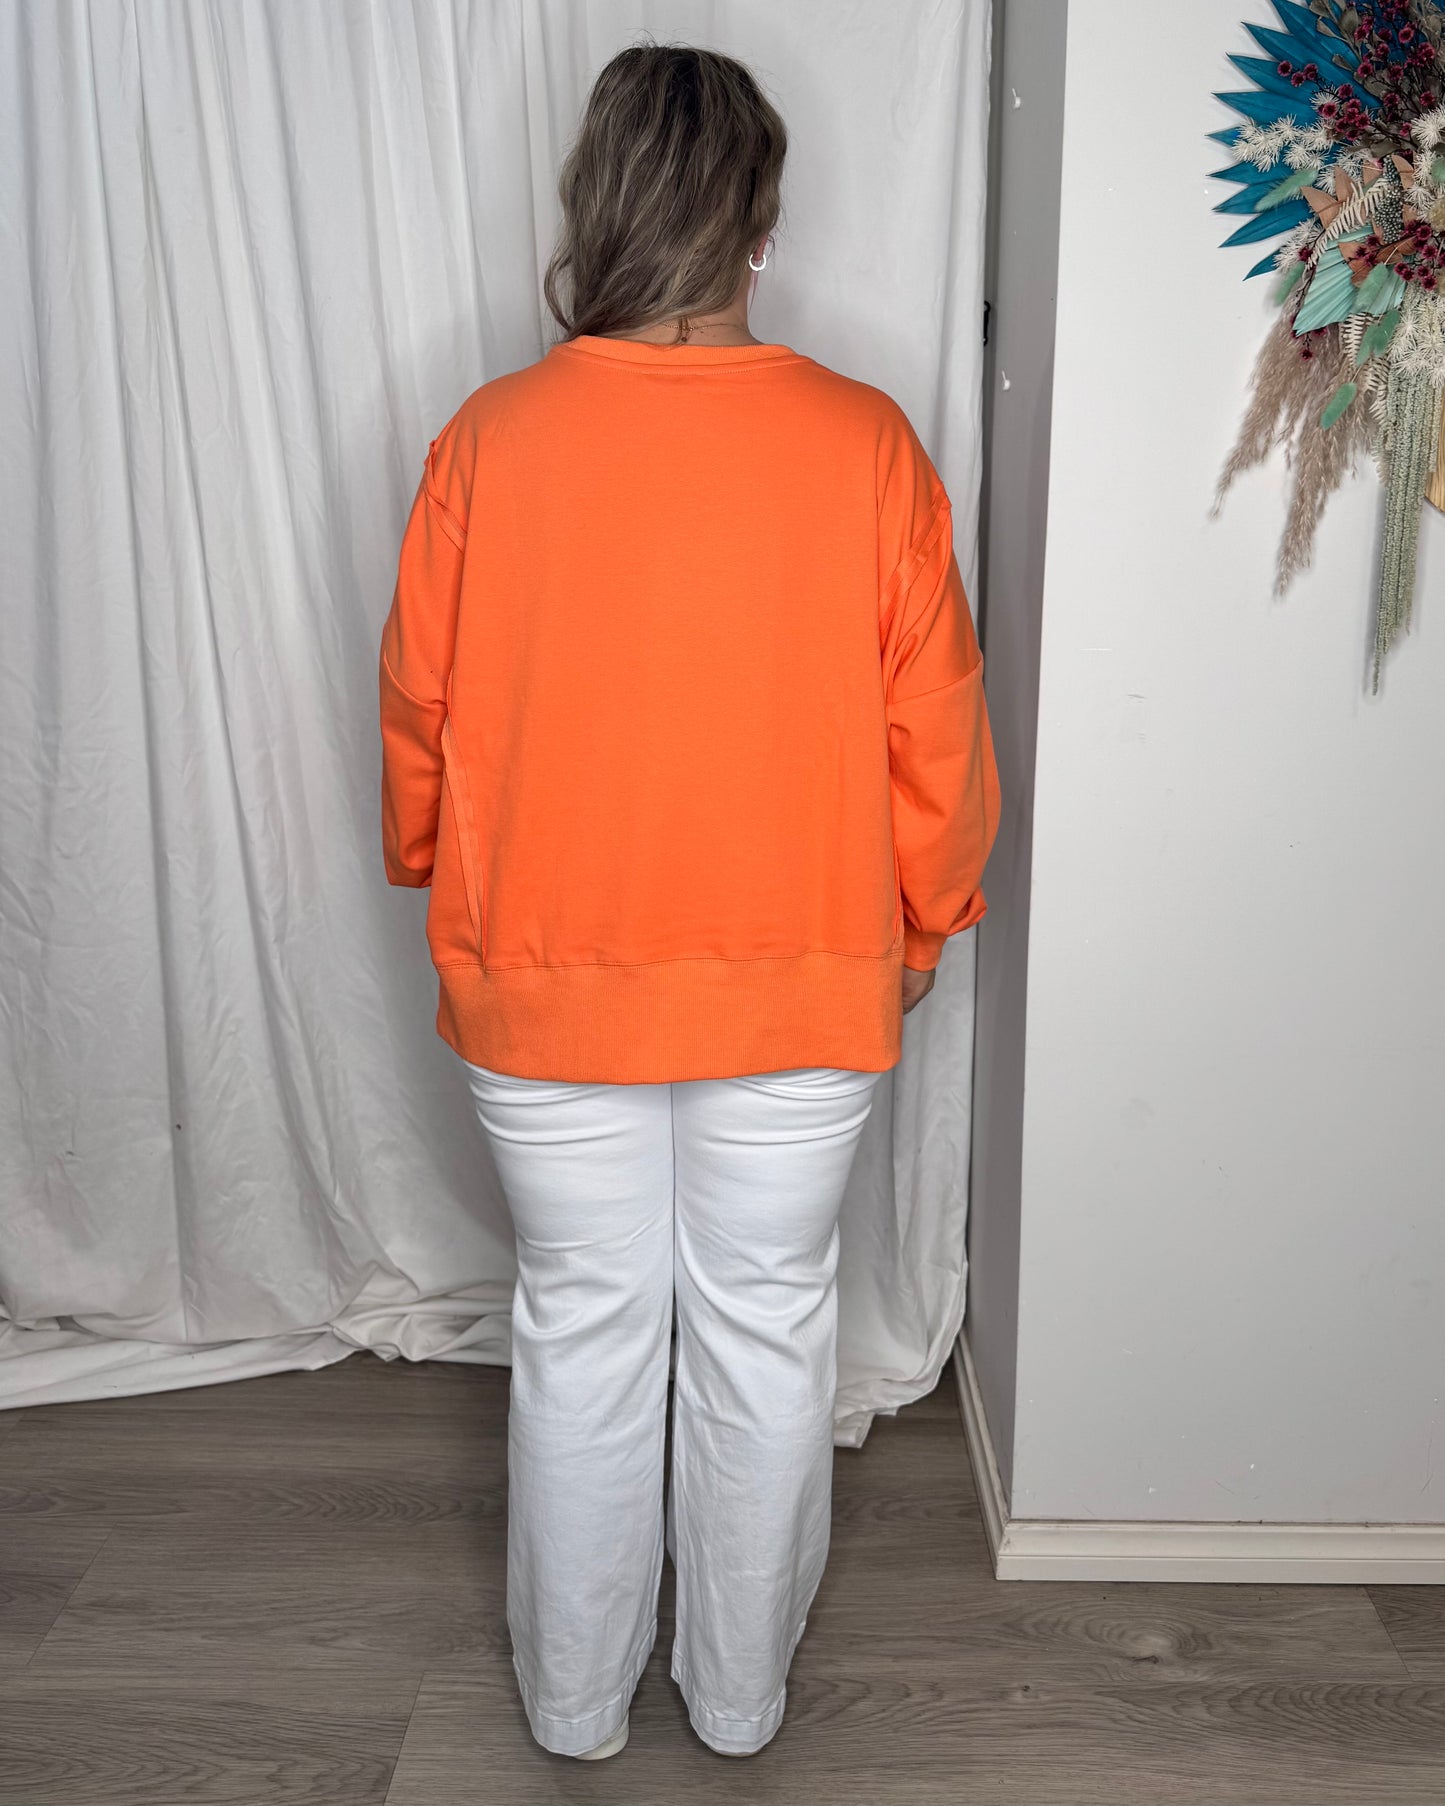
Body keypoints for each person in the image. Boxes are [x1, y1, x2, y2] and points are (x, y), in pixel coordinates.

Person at [377, 40, 1000, 1762]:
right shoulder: (865, 443)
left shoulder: (488, 441)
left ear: (598, 207)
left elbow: (420, 706)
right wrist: (926, 918)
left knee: (581, 1327)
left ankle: (576, 1706)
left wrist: (437, 862)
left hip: (542, 972)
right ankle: (734, 1699)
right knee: (764, 1322)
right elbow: (938, 726)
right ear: (757, 224)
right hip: (805, 975)